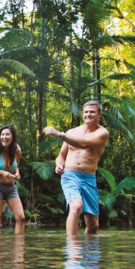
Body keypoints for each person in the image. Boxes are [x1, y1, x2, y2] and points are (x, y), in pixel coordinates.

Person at [43, 100, 110, 236]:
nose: (88, 114)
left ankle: (89, 253)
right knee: (76, 206)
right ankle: (72, 250)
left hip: (89, 178)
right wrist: (59, 164)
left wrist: (60, 135)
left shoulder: (102, 133)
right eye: (86, 112)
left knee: (93, 225)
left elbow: (85, 144)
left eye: (92, 112)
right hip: (70, 175)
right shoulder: (72, 132)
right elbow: (61, 155)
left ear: (99, 114)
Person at [0, 125, 25, 236]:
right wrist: (1, 172)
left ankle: (18, 249)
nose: (4, 137)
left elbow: (16, 165)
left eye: (7, 134)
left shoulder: (17, 151)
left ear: (12, 136)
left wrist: (17, 173)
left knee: (21, 217)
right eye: (2, 135)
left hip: (11, 188)